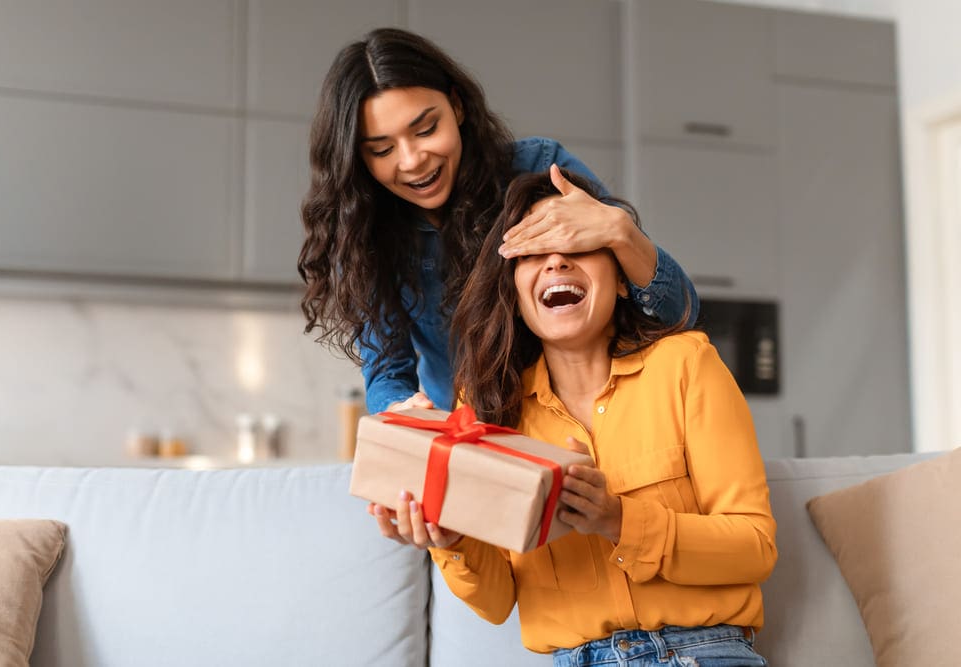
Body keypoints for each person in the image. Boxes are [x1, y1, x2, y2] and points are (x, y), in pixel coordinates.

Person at [370, 170, 777, 666]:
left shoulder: (686, 365)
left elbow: (755, 547)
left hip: (701, 652)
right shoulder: (486, 409)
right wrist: (451, 540)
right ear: (515, 295)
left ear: (623, 281)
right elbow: (497, 602)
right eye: (533, 253)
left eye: (577, 246)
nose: (556, 260)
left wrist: (619, 520)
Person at [298, 27, 699, 414]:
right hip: (472, 432)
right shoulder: (365, 230)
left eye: (426, 129)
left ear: (457, 106)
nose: (412, 160)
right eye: (382, 149)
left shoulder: (538, 171)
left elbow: (679, 312)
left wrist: (620, 231)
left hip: (591, 419)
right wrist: (402, 409)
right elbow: (387, 374)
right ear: (358, 159)